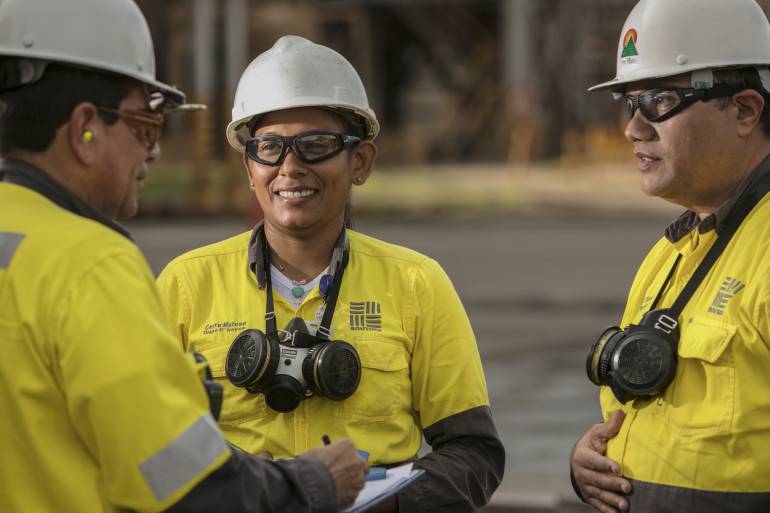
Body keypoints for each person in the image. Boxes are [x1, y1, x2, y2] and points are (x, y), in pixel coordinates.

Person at [0, 1, 367, 512]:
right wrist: (314, 483)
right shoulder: (88, 263)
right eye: (144, 126)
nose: (152, 151)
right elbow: (186, 487)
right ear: (85, 128)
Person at [156, 35, 505, 513]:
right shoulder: (185, 284)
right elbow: (145, 446)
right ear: (249, 166)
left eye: (315, 146)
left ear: (360, 162)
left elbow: (475, 454)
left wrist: (385, 504)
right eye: (270, 147)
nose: (290, 167)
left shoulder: (416, 283)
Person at [570, 0, 770, 512]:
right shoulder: (672, 252)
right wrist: (594, 456)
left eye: (659, 100)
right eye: (629, 102)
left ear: (745, 110)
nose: (633, 128)